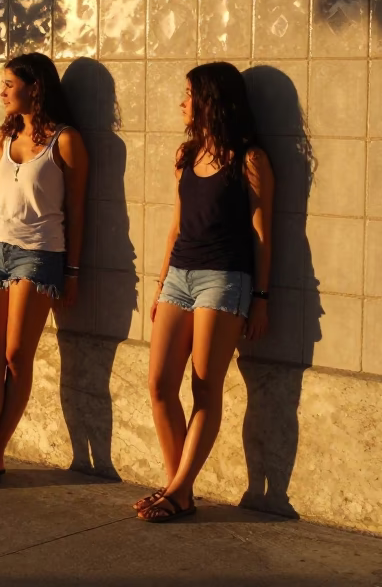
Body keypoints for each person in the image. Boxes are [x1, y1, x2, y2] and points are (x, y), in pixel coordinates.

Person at [0, 52, 89, 488]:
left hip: (41, 254)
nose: (1, 91)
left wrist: (73, 272)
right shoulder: (5, 136)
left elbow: (77, 212)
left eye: (9, 83)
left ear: (34, 87)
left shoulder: (66, 141)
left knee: (14, 357)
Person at [135, 61, 274, 521]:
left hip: (226, 279)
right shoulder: (185, 156)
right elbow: (176, 228)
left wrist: (261, 298)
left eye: (189, 93)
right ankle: (181, 490)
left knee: (204, 387)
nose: (182, 101)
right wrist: (160, 286)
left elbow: (261, 234)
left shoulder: (248, 159)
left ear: (211, 100)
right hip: (180, 276)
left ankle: (176, 492)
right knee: (159, 386)